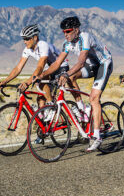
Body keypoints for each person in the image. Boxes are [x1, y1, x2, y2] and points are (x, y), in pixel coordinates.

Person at [35, 16, 113, 152]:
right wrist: (41, 76)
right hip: (92, 65)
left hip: (104, 63)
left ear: (76, 30)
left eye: (68, 31)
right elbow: (57, 63)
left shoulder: (85, 37)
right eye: (63, 32)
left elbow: (81, 62)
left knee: (94, 98)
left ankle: (97, 136)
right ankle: (82, 109)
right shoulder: (67, 44)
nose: (65, 34)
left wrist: (66, 73)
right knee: (70, 79)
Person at [0, 24, 69, 107]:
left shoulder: (43, 45)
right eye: (24, 39)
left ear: (35, 37)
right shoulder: (27, 50)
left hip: (60, 67)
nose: (24, 41)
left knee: (41, 82)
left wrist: (27, 83)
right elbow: (18, 68)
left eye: (27, 39)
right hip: (48, 70)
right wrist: (5, 81)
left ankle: (51, 106)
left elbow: (40, 67)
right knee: (40, 99)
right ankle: (44, 116)